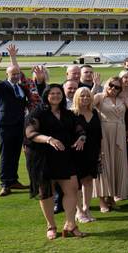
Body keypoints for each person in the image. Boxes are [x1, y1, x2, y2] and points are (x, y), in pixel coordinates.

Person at [24, 83, 86, 239]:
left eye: (59, 93)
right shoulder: (37, 113)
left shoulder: (67, 113)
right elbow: (30, 133)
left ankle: (71, 225)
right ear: (46, 95)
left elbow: (79, 128)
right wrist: (48, 139)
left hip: (64, 156)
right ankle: (51, 226)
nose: (56, 96)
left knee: (71, 189)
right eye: (52, 93)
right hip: (43, 158)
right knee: (46, 192)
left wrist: (82, 138)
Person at [0, 51, 31, 196]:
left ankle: (13, 180)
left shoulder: (21, 88)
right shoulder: (2, 86)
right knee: (6, 154)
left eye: (17, 73)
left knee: (15, 154)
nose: (16, 76)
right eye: (13, 74)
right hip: (5, 125)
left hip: (19, 125)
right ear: (7, 75)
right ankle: (5, 184)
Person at [93, 77, 128, 211]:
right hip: (104, 134)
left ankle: (111, 198)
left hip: (119, 133)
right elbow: (86, 104)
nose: (113, 89)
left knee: (117, 165)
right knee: (105, 165)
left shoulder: (121, 99)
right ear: (107, 84)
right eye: (111, 85)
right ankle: (102, 201)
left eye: (117, 87)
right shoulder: (99, 97)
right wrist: (95, 87)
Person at [72, 87, 101, 222]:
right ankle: (79, 212)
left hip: (93, 151)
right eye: (82, 96)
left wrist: (101, 151)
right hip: (77, 152)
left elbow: (99, 134)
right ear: (77, 97)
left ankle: (86, 209)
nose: (85, 98)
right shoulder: (72, 114)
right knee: (77, 183)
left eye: (88, 96)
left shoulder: (94, 112)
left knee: (88, 181)